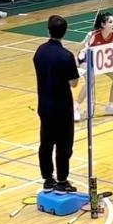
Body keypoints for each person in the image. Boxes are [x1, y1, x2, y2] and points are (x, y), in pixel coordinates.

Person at [33, 15, 80, 192]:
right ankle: (62, 180)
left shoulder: (40, 51)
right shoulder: (66, 56)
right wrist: (75, 67)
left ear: (48, 30)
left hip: (44, 105)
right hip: (62, 107)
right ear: (65, 32)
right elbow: (73, 83)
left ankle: (47, 179)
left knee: (46, 143)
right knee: (64, 145)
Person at [73, 12, 113, 121]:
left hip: (101, 63)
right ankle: (76, 107)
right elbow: (81, 48)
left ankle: (111, 107)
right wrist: (86, 40)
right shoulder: (94, 36)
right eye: (110, 22)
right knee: (90, 82)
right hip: (86, 61)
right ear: (103, 24)